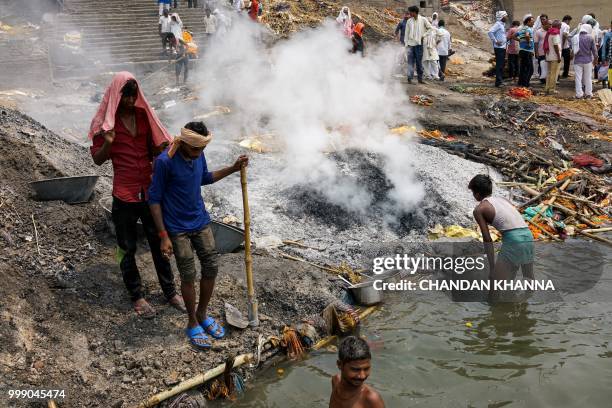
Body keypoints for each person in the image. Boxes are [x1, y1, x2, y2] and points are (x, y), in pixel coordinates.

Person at [89, 72, 184, 318]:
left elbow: (154, 149)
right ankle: (137, 295)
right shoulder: (105, 127)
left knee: (160, 243)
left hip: (150, 193)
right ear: (115, 98)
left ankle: (170, 291)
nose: (131, 102)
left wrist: (165, 147)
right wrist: (109, 143)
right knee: (126, 247)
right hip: (124, 195)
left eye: (133, 96)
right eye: (126, 97)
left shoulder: (144, 117)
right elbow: (98, 160)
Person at [149, 122, 248, 350]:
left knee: (211, 267)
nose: (199, 154)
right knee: (188, 275)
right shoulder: (165, 162)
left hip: (200, 220)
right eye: (195, 150)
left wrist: (233, 168)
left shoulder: (197, 155)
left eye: (202, 150)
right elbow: (154, 199)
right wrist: (163, 235)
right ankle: (192, 320)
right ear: (183, 142)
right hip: (177, 228)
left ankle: (202, 313)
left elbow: (205, 178)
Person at [468, 175, 534, 303]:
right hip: (528, 236)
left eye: (472, 192)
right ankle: (524, 309)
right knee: (528, 277)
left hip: (514, 240)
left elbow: (487, 239)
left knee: (495, 282)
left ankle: (494, 314)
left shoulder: (479, 209)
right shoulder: (503, 200)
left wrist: (492, 267)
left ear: (476, 194)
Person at [329, 336, 385, 408]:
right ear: (340, 365)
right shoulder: (335, 381)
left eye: (366, 369)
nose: (362, 376)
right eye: (355, 369)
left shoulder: (371, 399)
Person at [404, 6, 432, 84]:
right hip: (410, 45)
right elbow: (406, 33)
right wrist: (406, 44)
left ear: (414, 12)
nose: (409, 13)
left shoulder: (423, 19)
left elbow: (430, 28)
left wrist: (424, 35)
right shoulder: (409, 21)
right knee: (410, 62)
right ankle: (410, 78)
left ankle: (420, 79)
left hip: (419, 45)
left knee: (419, 62)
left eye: (410, 12)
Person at [572, 24, 598, 99]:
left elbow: (573, 49)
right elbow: (595, 52)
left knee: (578, 78)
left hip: (577, 61)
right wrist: (595, 60)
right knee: (588, 77)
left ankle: (579, 94)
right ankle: (588, 93)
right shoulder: (590, 38)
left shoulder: (575, 37)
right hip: (588, 61)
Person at [488, 11, 508, 87]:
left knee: (501, 65)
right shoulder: (498, 24)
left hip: (502, 47)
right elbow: (490, 32)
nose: (507, 17)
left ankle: (500, 80)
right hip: (499, 48)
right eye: (506, 16)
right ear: (502, 17)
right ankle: (498, 82)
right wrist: (495, 41)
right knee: (499, 65)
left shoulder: (502, 25)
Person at [516, 15, 535, 87]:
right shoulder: (528, 29)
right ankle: (525, 84)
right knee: (530, 69)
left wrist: (521, 41)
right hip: (527, 51)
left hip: (522, 51)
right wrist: (529, 43)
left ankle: (521, 83)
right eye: (532, 22)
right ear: (528, 22)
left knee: (523, 68)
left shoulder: (522, 29)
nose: (533, 23)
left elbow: (513, 36)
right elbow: (527, 35)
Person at [544, 20, 562, 94]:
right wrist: (558, 56)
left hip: (549, 56)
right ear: (557, 26)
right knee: (554, 74)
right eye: (560, 25)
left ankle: (547, 88)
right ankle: (552, 89)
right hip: (554, 57)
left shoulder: (549, 33)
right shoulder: (555, 33)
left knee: (549, 73)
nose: (561, 27)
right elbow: (555, 46)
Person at [533, 15, 549, 83]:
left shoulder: (550, 30)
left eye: (544, 19)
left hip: (549, 52)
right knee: (541, 66)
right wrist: (536, 52)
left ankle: (548, 78)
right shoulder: (538, 31)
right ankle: (542, 79)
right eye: (541, 19)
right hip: (541, 52)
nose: (543, 21)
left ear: (547, 20)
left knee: (548, 66)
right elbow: (536, 43)